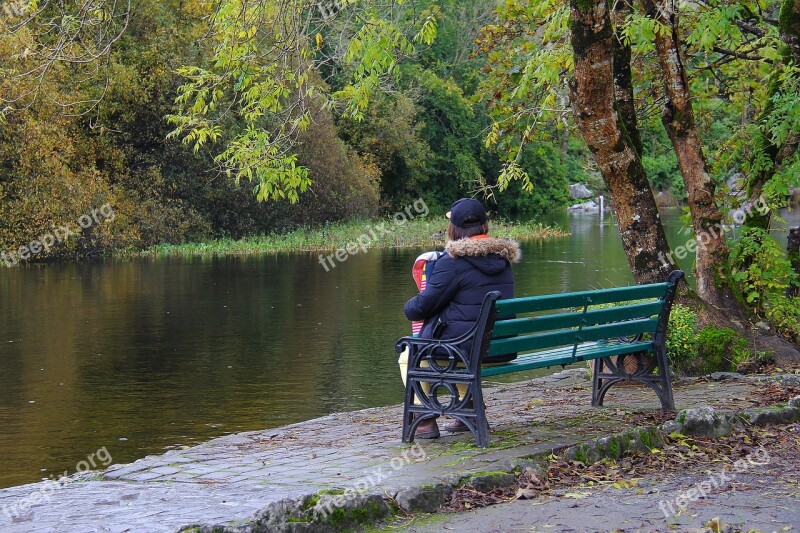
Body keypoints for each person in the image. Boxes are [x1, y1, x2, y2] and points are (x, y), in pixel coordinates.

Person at [400, 198, 521, 439]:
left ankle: (424, 418)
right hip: (502, 345)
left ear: (453, 229)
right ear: (484, 227)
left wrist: (409, 304)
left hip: (470, 348)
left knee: (409, 355)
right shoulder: (502, 260)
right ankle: (467, 409)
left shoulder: (451, 263)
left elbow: (421, 308)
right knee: (463, 346)